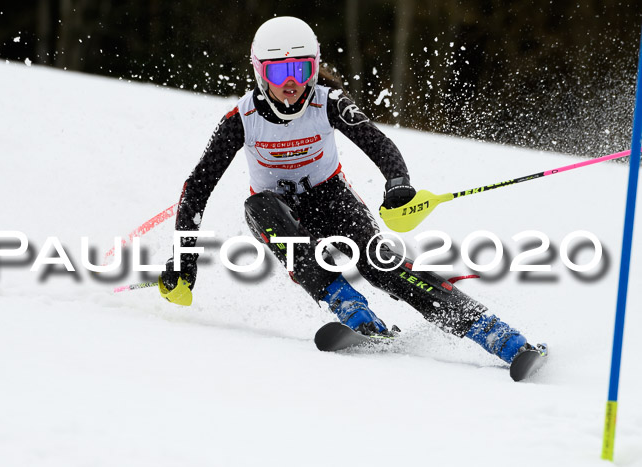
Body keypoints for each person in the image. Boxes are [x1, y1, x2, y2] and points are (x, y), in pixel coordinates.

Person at [159, 16, 536, 365]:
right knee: (258, 206)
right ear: (260, 73)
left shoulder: (329, 102)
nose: (291, 84)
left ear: (314, 67)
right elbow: (197, 188)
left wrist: (398, 185)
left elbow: (379, 144)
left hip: (331, 198)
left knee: (379, 264)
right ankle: (347, 304)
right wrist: (185, 259)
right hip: (279, 212)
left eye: (301, 69)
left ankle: (494, 332)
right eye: (279, 73)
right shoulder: (241, 119)